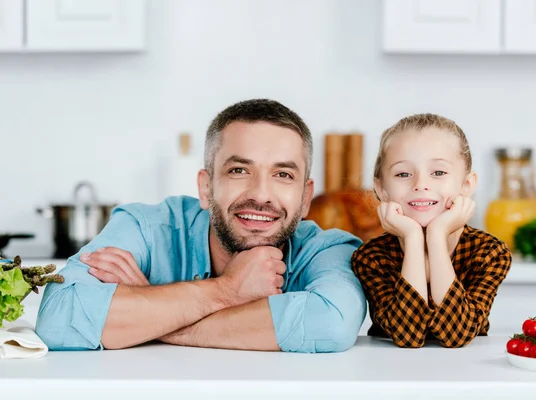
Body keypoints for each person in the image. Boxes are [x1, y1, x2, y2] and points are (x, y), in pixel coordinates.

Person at [35, 99, 366, 353]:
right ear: (206, 188)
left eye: (283, 175)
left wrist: (152, 311)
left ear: (305, 198)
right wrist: (226, 292)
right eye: (239, 170)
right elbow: (59, 317)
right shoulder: (146, 227)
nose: (261, 194)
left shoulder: (328, 249)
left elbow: (331, 324)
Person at [351, 113, 511, 348]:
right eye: (403, 174)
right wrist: (414, 239)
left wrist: (436, 236)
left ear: (466, 185)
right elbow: (408, 335)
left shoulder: (489, 252)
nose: (420, 184)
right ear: (381, 189)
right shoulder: (371, 257)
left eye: (438, 173)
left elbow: (457, 334)